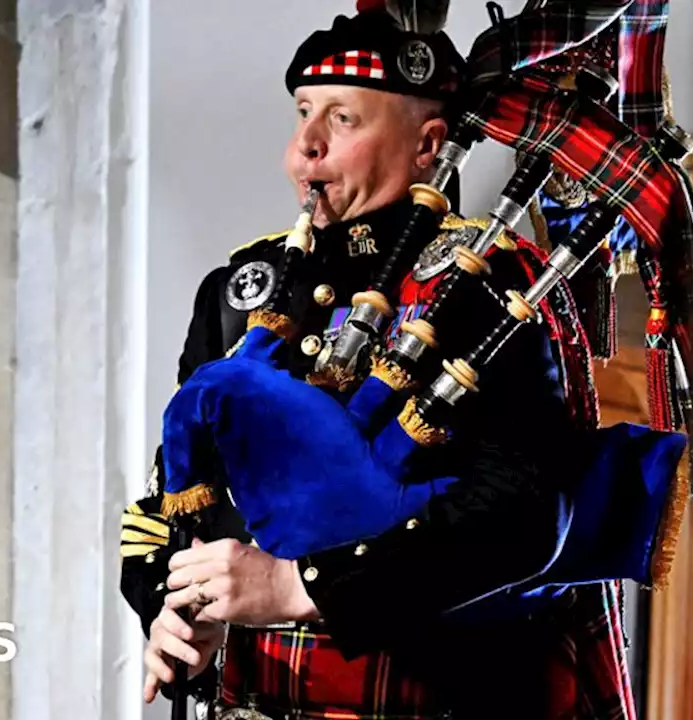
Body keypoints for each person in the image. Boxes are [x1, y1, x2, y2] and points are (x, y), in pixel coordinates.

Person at [120, 5, 642, 719]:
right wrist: (173, 612)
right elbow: (174, 496)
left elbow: (527, 511)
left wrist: (300, 586)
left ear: (429, 145)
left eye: (342, 119)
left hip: (443, 698)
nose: (305, 147)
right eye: (304, 112)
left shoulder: (490, 284)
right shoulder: (243, 290)